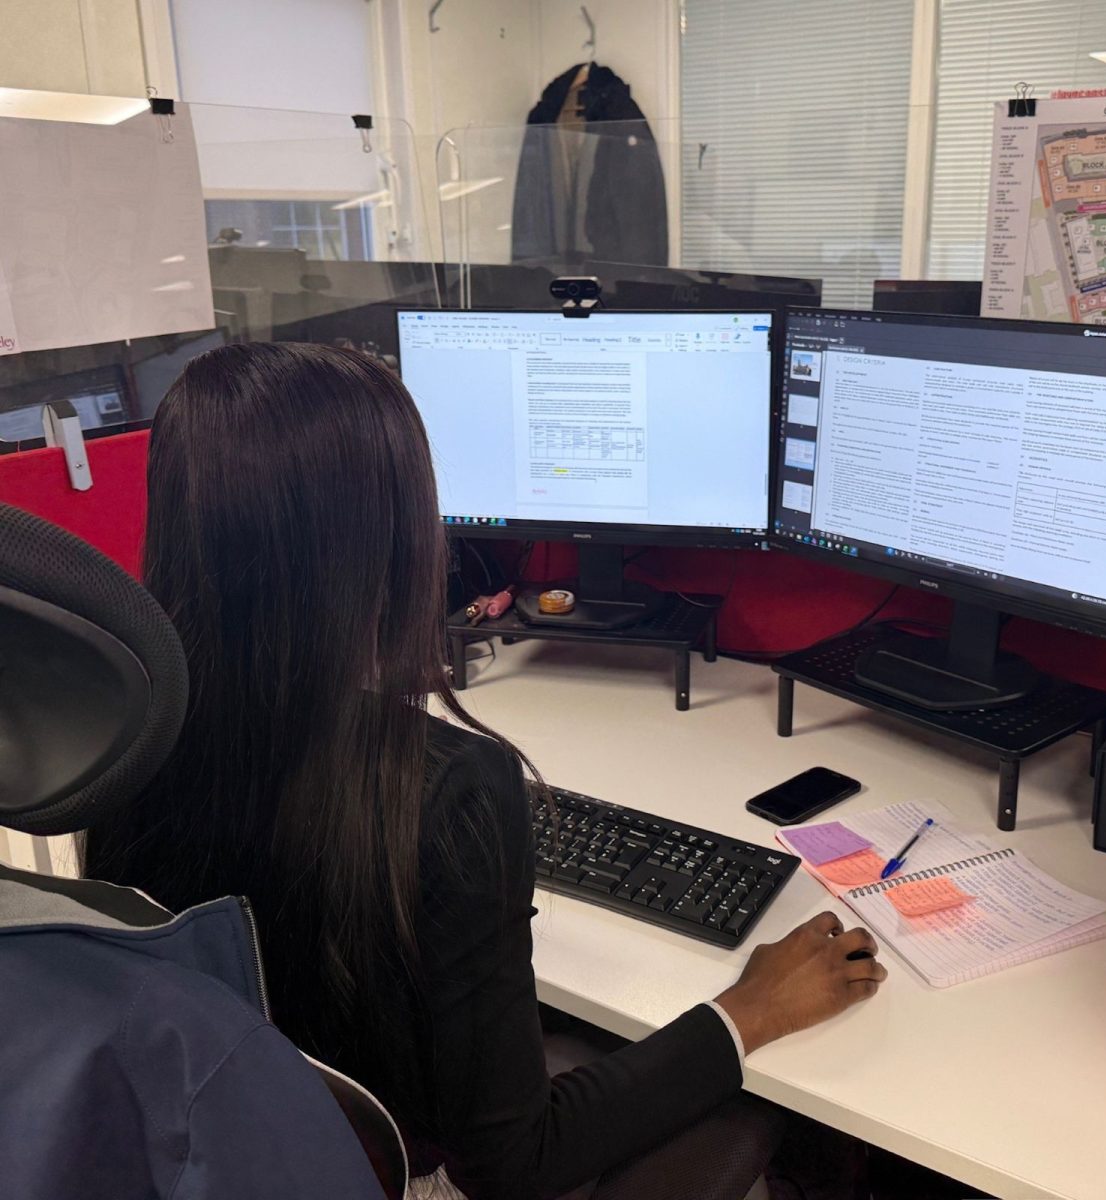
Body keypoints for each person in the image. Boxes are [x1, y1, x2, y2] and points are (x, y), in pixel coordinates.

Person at [83, 342, 887, 1199]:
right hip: (386, 1177)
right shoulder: (445, 789)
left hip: (220, 1154)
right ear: (388, 541)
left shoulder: (122, 736)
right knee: (775, 1118)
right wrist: (748, 1013)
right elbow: (513, 1166)